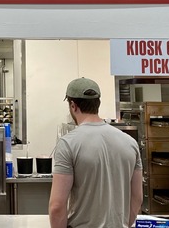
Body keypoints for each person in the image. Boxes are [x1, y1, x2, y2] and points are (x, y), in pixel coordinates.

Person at [49, 77, 143, 228]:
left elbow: (57, 206)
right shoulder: (130, 143)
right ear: (97, 104)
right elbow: (137, 198)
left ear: (73, 105)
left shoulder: (68, 144)